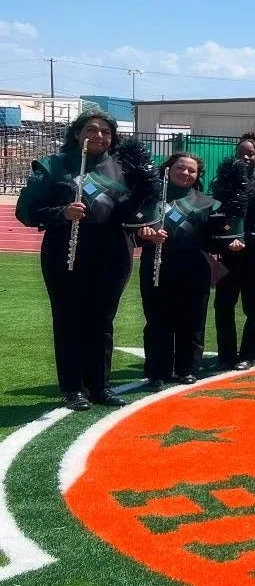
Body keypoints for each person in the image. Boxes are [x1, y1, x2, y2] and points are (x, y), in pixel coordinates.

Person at [16, 112, 157, 410]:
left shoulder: (124, 168)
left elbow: (138, 210)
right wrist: (62, 212)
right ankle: (73, 388)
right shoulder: (54, 165)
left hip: (113, 252)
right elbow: (26, 210)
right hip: (66, 250)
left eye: (106, 131)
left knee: (102, 320)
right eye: (91, 129)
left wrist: (144, 225)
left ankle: (99, 386)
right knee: (69, 319)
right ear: (78, 133)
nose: (99, 136)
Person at [136, 152, 236, 387]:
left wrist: (229, 240)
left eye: (192, 170)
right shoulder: (151, 199)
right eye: (181, 168)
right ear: (168, 170)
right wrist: (146, 235)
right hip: (156, 267)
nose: (186, 173)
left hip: (195, 269)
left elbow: (215, 239)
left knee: (192, 320)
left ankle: (187, 369)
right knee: (157, 320)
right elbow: (134, 232)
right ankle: (157, 370)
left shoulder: (209, 203)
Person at [211, 136, 255, 370]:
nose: (246, 157)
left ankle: (249, 354)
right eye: (241, 153)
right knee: (224, 305)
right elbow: (213, 216)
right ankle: (225, 355)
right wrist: (222, 240)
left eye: (251, 154)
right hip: (229, 254)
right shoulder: (221, 183)